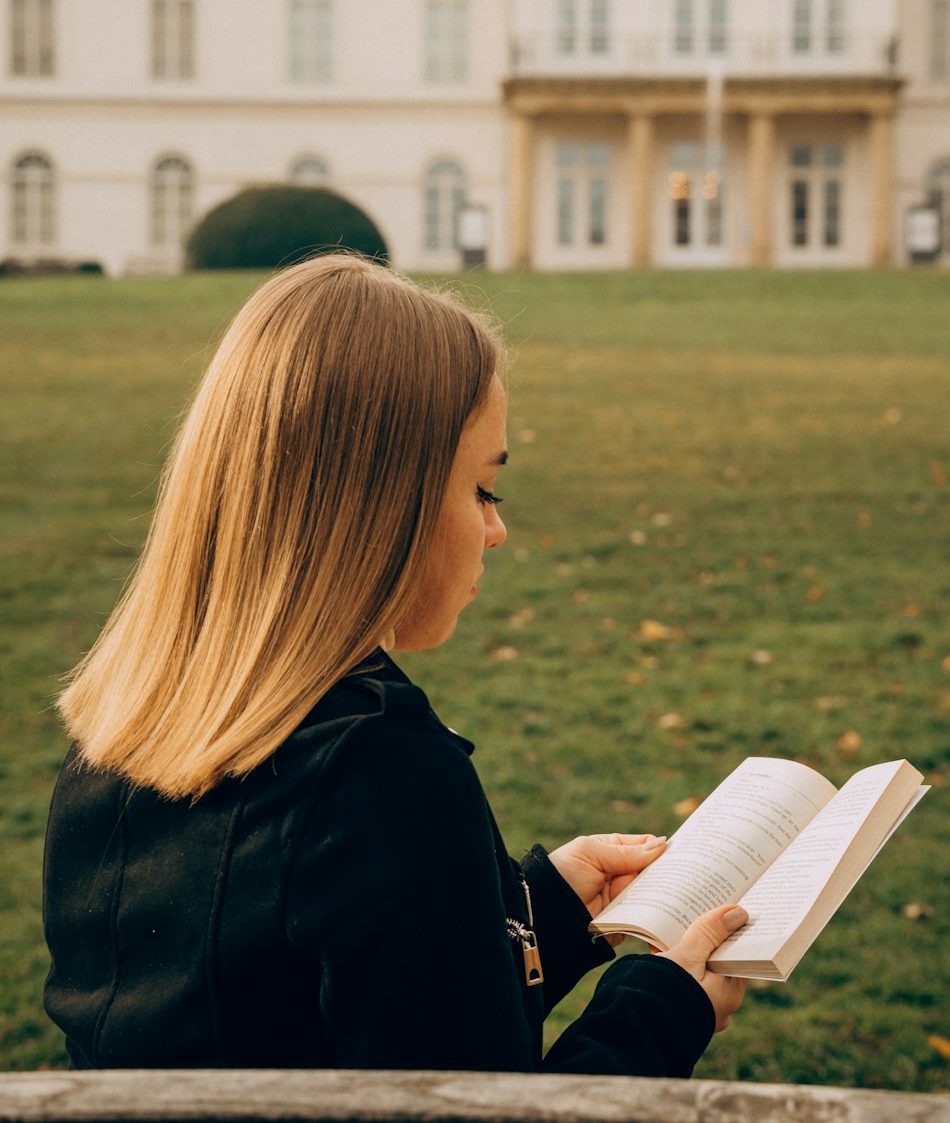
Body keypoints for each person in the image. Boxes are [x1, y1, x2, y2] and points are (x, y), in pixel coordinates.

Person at [43, 253, 746, 1074]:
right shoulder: (382, 778)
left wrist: (543, 911)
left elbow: (295, 1001)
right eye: (485, 489)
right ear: (382, 504)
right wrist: (664, 1007)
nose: (496, 530)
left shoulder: (119, 736)